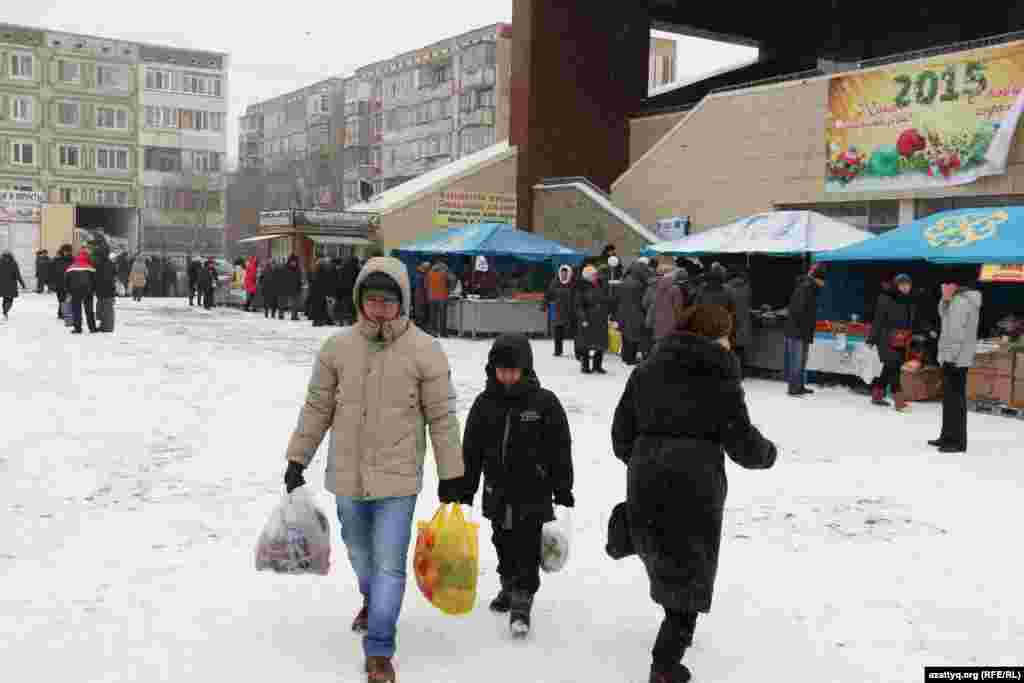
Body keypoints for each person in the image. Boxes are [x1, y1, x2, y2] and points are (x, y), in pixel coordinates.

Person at [282, 256, 464, 683]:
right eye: (372, 299)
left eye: (389, 300)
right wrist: (297, 458)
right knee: (362, 556)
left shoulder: (426, 350)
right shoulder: (337, 349)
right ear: (359, 300)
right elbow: (317, 407)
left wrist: (452, 474)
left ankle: (380, 648)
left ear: (403, 303)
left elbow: (442, 417)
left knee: (389, 565)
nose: (380, 308)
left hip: (399, 480)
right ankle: (371, 599)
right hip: (347, 476)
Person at [611, 304, 777, 683]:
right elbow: (742, 441)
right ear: (714, 335)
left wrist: (644, 460)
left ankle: (631, 539)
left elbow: (621, 433)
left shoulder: (648, 367)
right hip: (694, 483)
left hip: (646, 475)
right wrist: (768, 454)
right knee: (690, 573)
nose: (729, 343)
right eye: (726, 335)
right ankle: (665, 665)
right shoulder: (719, 373)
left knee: (664, 551)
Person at [457, 333, 574, 637]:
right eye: (501, 369)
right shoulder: (485, 405)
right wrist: (465, 491)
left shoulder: (544, 403)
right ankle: (508, 586)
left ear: (526, 368)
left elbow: (560, 449)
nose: (507, 375)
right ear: (492, 369)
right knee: (503, 543)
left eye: (513, 369)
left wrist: (563, 489)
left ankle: (522, 601)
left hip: (534, 493)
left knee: (526, 547)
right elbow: (471, 451)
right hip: (497, 492)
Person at [932, 274, 982, 454]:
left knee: (955, 401)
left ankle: (956, 441)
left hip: (956, 358)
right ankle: (947, 436)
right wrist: (945, 300)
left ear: (955, 285)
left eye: (946, 284)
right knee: (949, 399)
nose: (943, 287)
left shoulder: (961, 302)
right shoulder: (954, 300)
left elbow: (956, 334)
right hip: (955, 357)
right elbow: (943, 315)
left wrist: (951, 358)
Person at [866, 274, 917, 410]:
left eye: (908, 284)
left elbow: (910, 321)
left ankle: (877, 395)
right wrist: (872, 339)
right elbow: (878, 319)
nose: (906, 287)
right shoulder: (886, 298)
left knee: (889, 369)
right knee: (894, 370)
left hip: (901, 339)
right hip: (886, 338)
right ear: (896, 285)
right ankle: (899, 402)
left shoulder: (909, 300)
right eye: (902, 284)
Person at [783, 265, 827, 397]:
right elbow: (798, 310)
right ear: (817, 279)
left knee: (802, 361)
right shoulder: (806, 288)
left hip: (803, 330)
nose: (824, 284)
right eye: (823, 280)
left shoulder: (811, 288)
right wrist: (807, 321)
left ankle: (799, 386)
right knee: (796, 362)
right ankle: (793, 388)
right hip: (797, 331)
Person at [615, 260, 653, 365]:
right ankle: (630, 358)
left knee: (626, 335)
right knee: (634, 335)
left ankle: (625, 356)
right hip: (636, 311)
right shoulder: (639, 283)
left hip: (623, 311)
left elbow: (617, 297)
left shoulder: (624, 280)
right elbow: (643, 300)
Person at [575, 265, 611, 374]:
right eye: (593, 275)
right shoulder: (581, 287)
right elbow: (578, 305)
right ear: (587, 276)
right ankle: (585, 366)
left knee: (601, 344)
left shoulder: (600, 284)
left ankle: (597, 365)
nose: (596, 276)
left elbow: (604, 299)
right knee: (586, 344)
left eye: (596, 274)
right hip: (589, 318)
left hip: (600, 318)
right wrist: (583, 318)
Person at [725, 267, 753, 375]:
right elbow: (748, 302)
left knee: (731, 349)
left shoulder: (727, 288)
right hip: (744, 321)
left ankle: (732, 372)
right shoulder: (747, 288)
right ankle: (742, 372)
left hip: (732, 321)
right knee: (741, 349)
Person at [544, 265, 577, 358]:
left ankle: (578, 351)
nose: (563, 275)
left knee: (575, 332)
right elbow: (548, 294)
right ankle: (558, 351)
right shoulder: (554, 282)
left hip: (571, 310)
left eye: (565, 274)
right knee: (558, 332)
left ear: (569, 274)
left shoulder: (573, 283)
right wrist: (544, 304)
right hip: (558, 310)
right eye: (562, 273)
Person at [65, 249, 98, 334]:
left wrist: (68, 291)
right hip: (88, 291)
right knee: (89, 310)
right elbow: (95, 281)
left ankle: (78, 328)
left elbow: (66, 281)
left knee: (76, 310)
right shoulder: (91, 268)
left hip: (75, 291)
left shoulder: (71, 268)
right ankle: (92, 328)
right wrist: (93, 290)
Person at [426, 259, 454, 337]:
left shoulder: (430, 272)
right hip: (442, 296)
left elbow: (426, 285)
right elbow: (452, 279)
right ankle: (443, 333)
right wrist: (450, 290)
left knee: (433, 315)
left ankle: (433, 332)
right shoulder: (445, 270)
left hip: (431, 296)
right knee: (442, 315)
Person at [94, 245, 117, 333]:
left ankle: (107, 327)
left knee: (105, 308)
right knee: (105, 308)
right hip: (108, 289)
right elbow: (114, 274)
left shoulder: (98, 264)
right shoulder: (110, 264)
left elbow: (96, 277)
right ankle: (105, 326)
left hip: (103, 289)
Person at [308, 257, 335, 327]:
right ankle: (319, 321)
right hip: (320, 292)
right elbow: (325, 282)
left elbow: (312, 281)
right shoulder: (323, 271)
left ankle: (318, 321)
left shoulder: (315, 271)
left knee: (318, 306)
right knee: (320, 306)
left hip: (315, 291)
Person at [0, 251, 27, 320]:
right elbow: (18, 274)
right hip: (8, 285)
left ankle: (5, 311)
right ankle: (5, 311)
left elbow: (17, 274)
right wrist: (23, 284)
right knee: (8, 299)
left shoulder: (10, 263)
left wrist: (22, 284)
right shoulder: (12, 263)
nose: (6, 259)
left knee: (7, 299)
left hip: (6, 284)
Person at [50, 244, 73, 320]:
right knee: (61, 299)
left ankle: (63, 313)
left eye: (68, 251)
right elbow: (52, 272)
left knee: (66, 299)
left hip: (69, 283)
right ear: (62, 251)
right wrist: (52, 283)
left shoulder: (73, 260)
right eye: (65, 251)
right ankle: (61, 313)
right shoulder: (57, 260)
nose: (67, 253)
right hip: (59, 283)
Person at [276, 255, 302, 320]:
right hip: (285, 288)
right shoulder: (284, 268)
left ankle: (294, 315)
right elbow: (281, 279)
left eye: (295, 262)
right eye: (292, 262)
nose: (293, 263)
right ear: (289, 262)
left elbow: (299, 279)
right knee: (282, 302)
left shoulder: (298, 269)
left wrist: (299, 285)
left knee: (295, 303)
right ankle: (281, 314)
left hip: (295, 288)